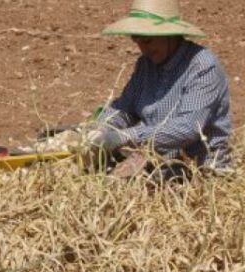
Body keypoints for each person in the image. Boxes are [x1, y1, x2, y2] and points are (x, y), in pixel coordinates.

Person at [88, 0, 234, 180]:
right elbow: (125, 110)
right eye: (136, 40)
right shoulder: (146, 65)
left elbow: (187, 128)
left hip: (198, 172)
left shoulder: (202, 67)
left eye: (148, 40)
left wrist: (123, 137)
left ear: (170, 34)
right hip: (156, 166)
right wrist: (100, 128)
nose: (143, 48)